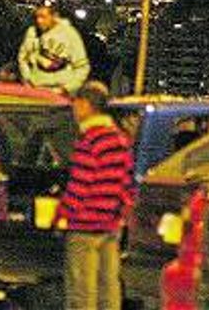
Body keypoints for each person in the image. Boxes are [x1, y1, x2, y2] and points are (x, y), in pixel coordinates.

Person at [56, 81, 133, 310]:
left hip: (84, 225)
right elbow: (127, 184)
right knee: (108, 287)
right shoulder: (120, 139)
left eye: (76, 104)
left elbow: (81, 184)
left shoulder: (89, 140)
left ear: (85, 105)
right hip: (110, 225)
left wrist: (62, 214)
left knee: (82, 290)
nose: (74, 110)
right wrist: (120, 214)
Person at [18, 5, 90, 94]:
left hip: (62, 91)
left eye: (43, 17)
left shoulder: (70, 33)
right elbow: (23, 58)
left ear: (54, 16)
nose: (39, 21)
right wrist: (28, 79)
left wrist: (67, 88)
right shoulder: (32, 32)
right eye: (37, 17)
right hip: (37, 89)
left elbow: (82, 66)